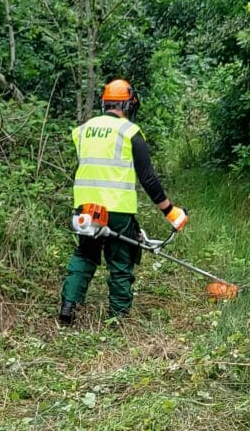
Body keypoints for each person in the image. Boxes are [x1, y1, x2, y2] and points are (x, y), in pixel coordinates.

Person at [59, 79, 187, 325]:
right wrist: (171, 212)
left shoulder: (83, 130)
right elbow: (148, 178)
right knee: (120, 262)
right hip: (117, 209)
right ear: (128, 105)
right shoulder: (130, 132)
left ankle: (68, 306)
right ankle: (117, 319)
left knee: (85, 254)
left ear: (104, 103)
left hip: (86, 209)